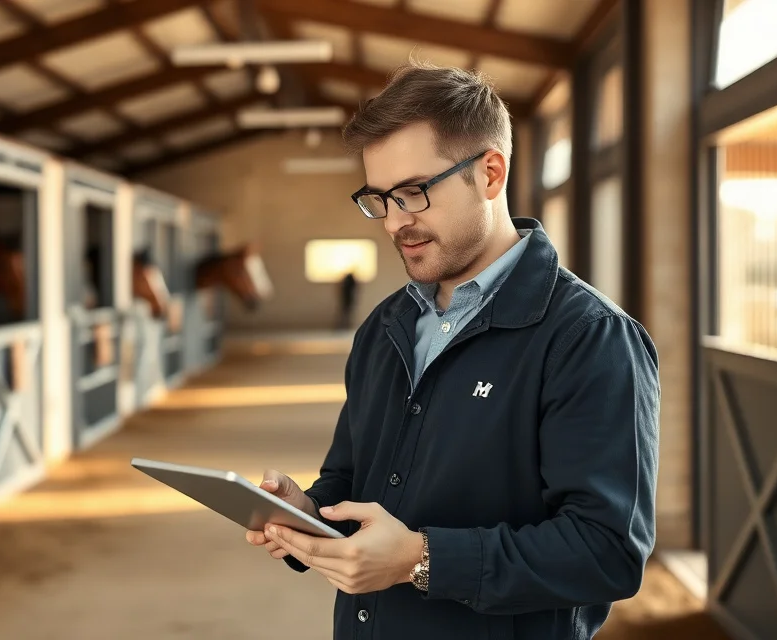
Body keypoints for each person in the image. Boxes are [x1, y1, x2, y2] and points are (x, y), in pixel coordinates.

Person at [244, 61, 660, 639]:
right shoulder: (385, 326)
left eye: (414, 193)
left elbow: (607, 552)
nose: (394, 223)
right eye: (377, 199)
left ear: (490, 173)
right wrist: (308, 514)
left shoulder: (587, 337)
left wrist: (420, 558)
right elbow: (349, 477)